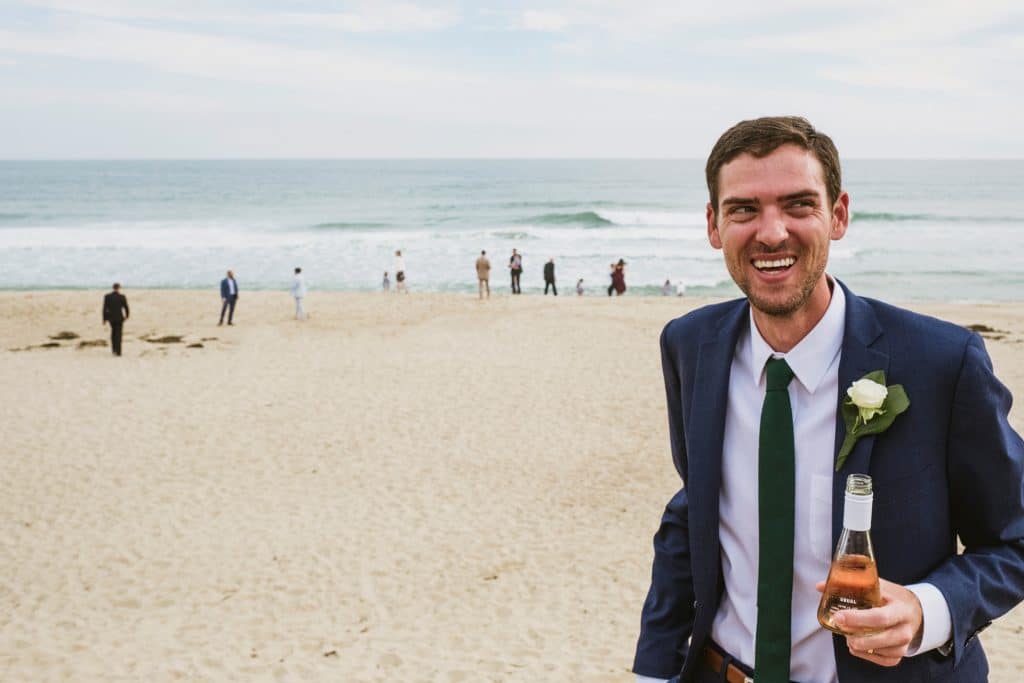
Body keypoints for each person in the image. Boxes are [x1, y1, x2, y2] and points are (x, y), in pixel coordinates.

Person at [633, 116, 1024, 683]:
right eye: (744, 209)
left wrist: (927, 611)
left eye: (798, 205)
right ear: (714, 225)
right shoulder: (689, 344)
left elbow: (1012, 539)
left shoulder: (943, 362)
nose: (771, 233)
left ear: (837, 215)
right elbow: (693, 509)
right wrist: (653, 669)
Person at [102, 282, 129, 356]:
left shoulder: (107, 296)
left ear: (113, 288)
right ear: (119, 288)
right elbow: (126, 307)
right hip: (120, 318)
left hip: (111, 318)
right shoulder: (122, 297)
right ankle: (119, 351)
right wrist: (127, 315)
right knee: (119, 334)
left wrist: (104, 319)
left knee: (113, 333)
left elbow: (104, 308)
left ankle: (114, 349)